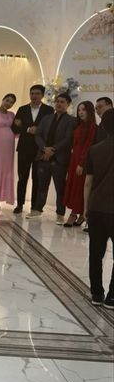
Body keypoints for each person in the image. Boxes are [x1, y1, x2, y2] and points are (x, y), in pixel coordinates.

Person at [26, 93, 76, 224]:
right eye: (57, 101)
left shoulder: (71, 121)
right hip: (43, 156)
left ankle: (60, 213)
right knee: (41, 185)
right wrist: (45, 148)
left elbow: (68, 139)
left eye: (62, 102)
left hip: (59, 159)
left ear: (68, 104)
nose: (59, 104)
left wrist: (53, 150)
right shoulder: (46, 118)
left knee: (60, 188)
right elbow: (38, 135)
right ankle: (37, 210)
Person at [84, 107, 114, 308]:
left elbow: (88, 182)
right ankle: (112, 297)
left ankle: (96, 294)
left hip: (96, 206)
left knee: (96, 252)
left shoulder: (95, 149)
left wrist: (86, 208)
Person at [11, 84, 54, 214]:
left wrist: (38, 130)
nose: (34, 96)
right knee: (22, 177)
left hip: (40, 149)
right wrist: (28, 129)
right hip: (24, 148)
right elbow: (15, 127)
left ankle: (34, 206)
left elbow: (50, 129)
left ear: (42, 95)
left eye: (37, 93)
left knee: (37, 178)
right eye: (32, 93)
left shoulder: (49, 110)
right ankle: (19, 204)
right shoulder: (22, 109)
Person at [63, 101, 97, 226]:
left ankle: (74, 214)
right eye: (79, 110)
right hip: (74, 160)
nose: (81, 112)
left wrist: (82, 163)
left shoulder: (92, 127)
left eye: (84, 110)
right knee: (74, 186)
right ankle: (81, 214)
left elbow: (88, 146)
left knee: (79, 187)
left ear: (89, 111)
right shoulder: (79, 125)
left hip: (83, 161)